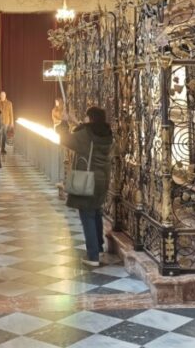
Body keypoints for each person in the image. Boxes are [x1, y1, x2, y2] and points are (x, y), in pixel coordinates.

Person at [56, 106, 114, 267]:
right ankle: (99, 247)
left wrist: (64, 122)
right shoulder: (107, 134)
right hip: (102, 180)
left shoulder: (85, 136)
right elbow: (87, 131)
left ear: (91, 119)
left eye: (87, 117)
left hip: (88, 179)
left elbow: (65, 139)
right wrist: (77, 121)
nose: (85, 120)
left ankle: (93, 255)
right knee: (96, 211)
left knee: (87, 215)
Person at [0, 90, 15, 154]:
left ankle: (3, 149)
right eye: (1, 95)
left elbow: (11, 113)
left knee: (4, 135)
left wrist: (12, 122)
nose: (2, 96)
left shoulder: (9, 103)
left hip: (6, 121)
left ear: (5, 96)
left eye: (3, 95)